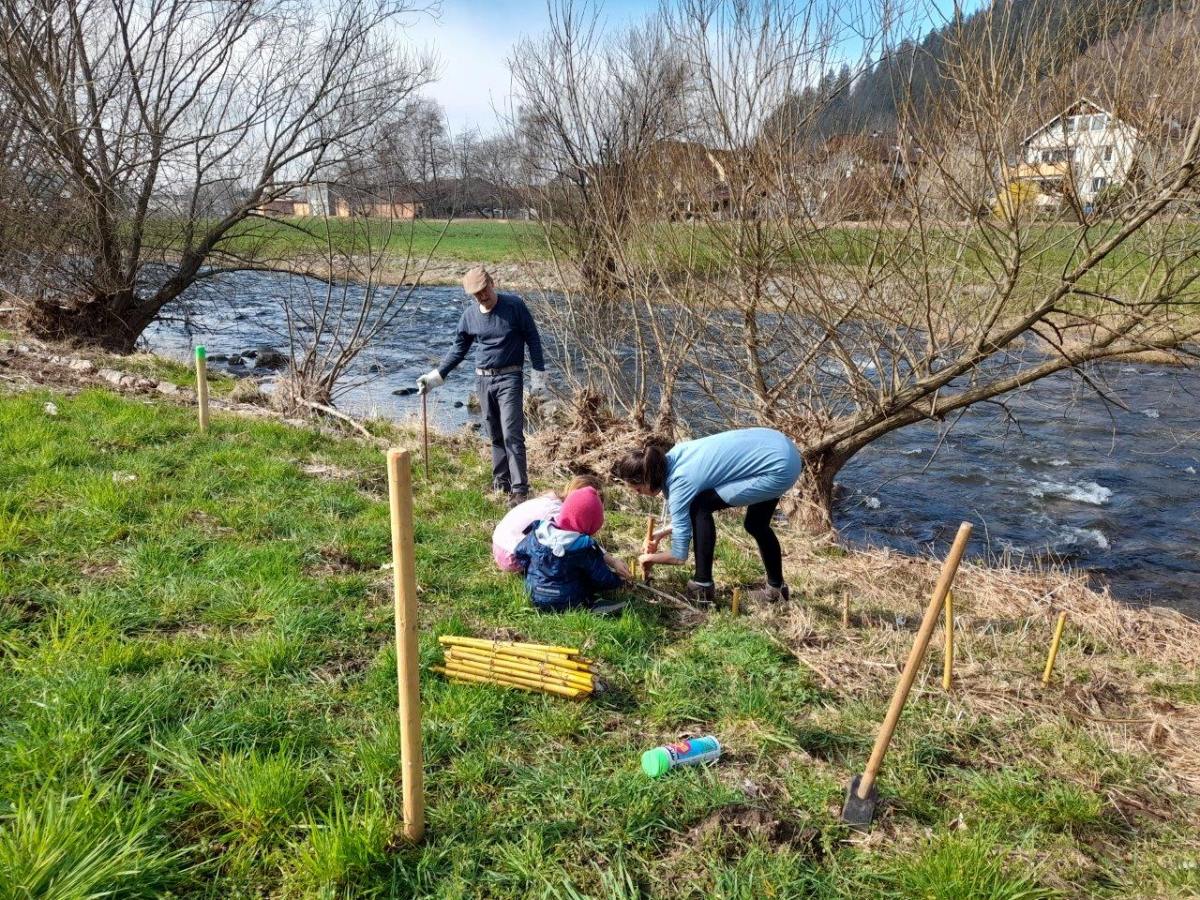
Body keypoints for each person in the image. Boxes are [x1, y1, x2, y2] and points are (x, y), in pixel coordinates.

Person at [611, 428, 803, 604]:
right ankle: (777, 590)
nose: (637, 494)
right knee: (755, 524)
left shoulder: (680, 483)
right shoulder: (674, 456)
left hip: (778, 469)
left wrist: (649, 559)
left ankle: (702, 585)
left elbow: (679, 556)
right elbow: (684, 520)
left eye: (637, 489)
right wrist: (660, 534)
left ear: (647, 479)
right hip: (780, 447)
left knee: (701, 506)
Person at [417, 265, 546, 506]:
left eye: (484, 290)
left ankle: (519, 491)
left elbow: (533, 339)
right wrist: (434, 377)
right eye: (476, 294)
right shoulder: (469, 316)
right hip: (482, 380)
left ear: (492, 283)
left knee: (512, 434)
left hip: (510, 377)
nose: (482, 296)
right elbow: (458, 350)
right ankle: (501, 482)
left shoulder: (514, 306)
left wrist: (539, 376)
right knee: (494, 432)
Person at [512, 485, 629, 613]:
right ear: (589, 524)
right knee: (586, 580)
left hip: (533, 593)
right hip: (567, 600)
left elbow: (519, 552)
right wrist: (618, 581)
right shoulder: (584, 547)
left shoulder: (538, 531)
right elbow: (601, 578)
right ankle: (592, 605)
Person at [492, 474, 628, 574]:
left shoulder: (552, 500)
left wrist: (613, 561)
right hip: (511, 556)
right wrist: (610, 563)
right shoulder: (558, 514)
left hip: (500, 543)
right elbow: (577, 541)